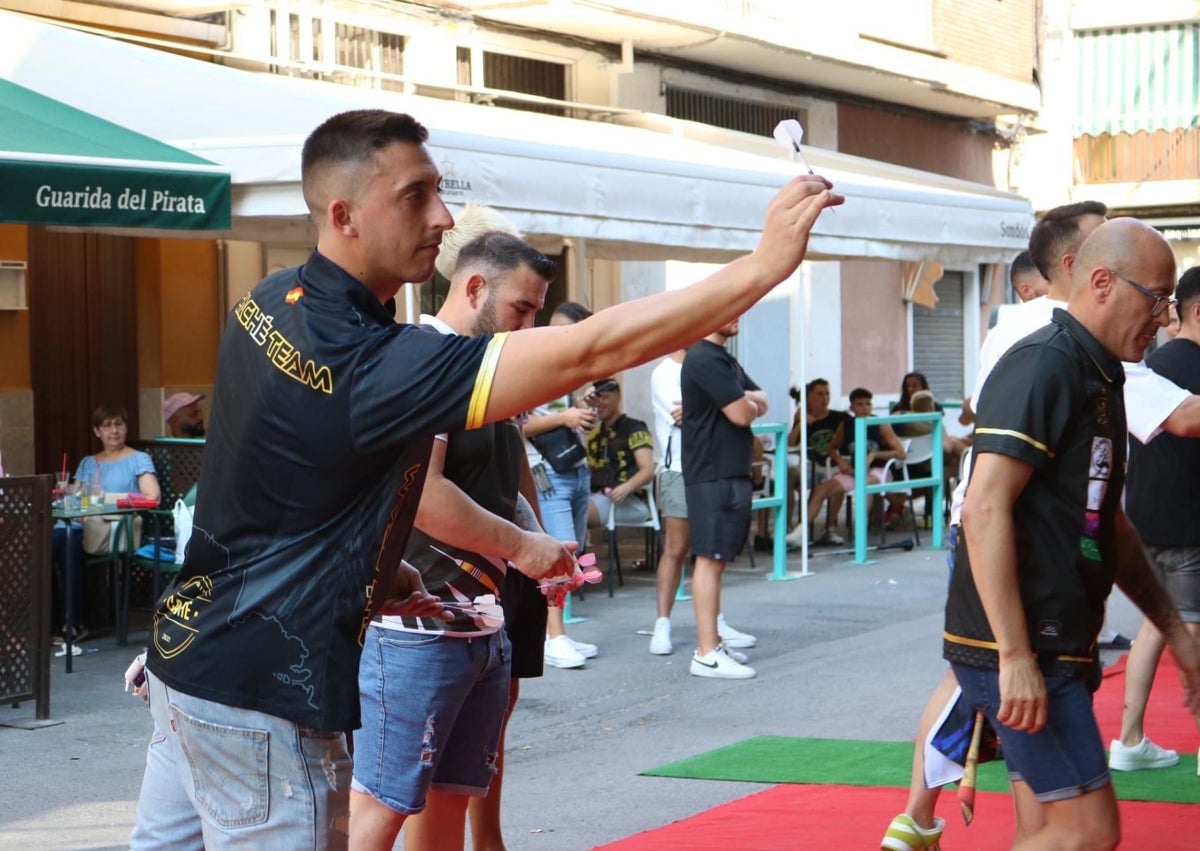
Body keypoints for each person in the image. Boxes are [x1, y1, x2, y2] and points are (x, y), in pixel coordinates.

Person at [129, 108, 843, 849]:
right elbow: (590, 350)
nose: (442, 217)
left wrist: (378, 568)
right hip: (264, 701)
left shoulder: (267, 302)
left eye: (439, 191)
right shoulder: (379, 361)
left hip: (187, 662)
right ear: (342, 214)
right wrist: (763, 266)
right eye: (415, 196)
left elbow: (277, 481)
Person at [881, 200, 1200, 851]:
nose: (1166, 318)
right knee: (1087, 829)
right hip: (1025, 646)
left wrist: (1172, 626)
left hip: (1057, 641)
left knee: (1050, 825)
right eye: (1158, 299)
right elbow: (984, 507)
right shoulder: (1045, 362)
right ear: (1102, 283)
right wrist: (1015, 658)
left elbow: (1106, 520)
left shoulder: (1103, 373)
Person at [353, 231, 572, 851]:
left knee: (447, 803)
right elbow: (426, 495)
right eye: (520, 310)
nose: (527, 326)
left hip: (477, 625)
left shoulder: (480, 369)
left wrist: (537, 541)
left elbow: (500, 484)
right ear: (474, 288)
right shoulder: (426, 360)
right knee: (380, 808)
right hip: (413, 631)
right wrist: (527, 547)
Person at [1110, 267, 1200, 774]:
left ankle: (1128, 738)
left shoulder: (1146, 366)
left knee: (1155, 624)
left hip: (1142, 518)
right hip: (1188, 522)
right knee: (1191, 627)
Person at [682, 316, 766, 679]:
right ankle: (706, 651)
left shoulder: (723, 358)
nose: (738, 319)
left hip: (728, 469)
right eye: (731, 311)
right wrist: (745, 401)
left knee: (719, 559)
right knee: (709, 558)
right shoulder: (703, 357)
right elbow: (742, 413)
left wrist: (745, 399)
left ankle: (713, 642)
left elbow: (762, 397)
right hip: (711, 470)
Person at [523, 301, 600, 670]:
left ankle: (561, 634)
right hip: (546, 474)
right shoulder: (529, 364)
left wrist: (580, 409)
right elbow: (517, 424)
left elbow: (566, 419)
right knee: (557, 557)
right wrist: (565, 417)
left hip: (575, 468)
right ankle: (553, 639)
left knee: (573, 556)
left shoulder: (569, 368)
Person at [52, 405, 161, 643]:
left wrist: (105, 501)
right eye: (107, 425)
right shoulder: (88, 463)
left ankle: (75, 622)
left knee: (68, 541)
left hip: (116, 526)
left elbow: (153, 497)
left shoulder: (138, 459)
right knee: (49, 541)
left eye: (119, 424)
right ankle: (51, 621)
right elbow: (77, 499)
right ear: (96, 431)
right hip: (83, 525)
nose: (114, 430)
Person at [804, 387, 906, 540]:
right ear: (852, 408)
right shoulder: (846, 425)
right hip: (855, 470)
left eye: (868, 404)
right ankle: (807, 532)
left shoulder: (880, 424)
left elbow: (901, 453)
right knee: (821, 489)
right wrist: (840, 462)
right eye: (860, 405)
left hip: (879, 470)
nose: (864, 408)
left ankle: (860, 532)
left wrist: (875, 454)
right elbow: (831, 448)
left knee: (867, 483)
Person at [648, 350, 689, 655]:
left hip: (710, 468)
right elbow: (683, 417)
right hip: (679, 470)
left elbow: (755, 397)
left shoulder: (713, 362)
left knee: (710, 552)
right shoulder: (664, 372)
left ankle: (716, 621)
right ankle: (662, 624)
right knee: (675, 548)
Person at [785, 378, 848, 547]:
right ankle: (788, 528)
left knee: (838, 480)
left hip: (833, 465)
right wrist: (800, 423)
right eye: (819, 394)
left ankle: (829, 529)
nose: (824, 398)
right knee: (787, 476)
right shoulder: (803, 418)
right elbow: (790, 445)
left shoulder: (839, 418)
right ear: (809, 397)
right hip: (811, 466)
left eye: (827, 393)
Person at [585, 377, 655, 529]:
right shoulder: (595, 434)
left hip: (629, 500)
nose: (599, 404)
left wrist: (626, 487)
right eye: (596, 399)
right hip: (598, 496)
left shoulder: (634, 428)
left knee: (576, 512)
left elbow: (648, 470)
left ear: (617, 396)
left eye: (604, 397)